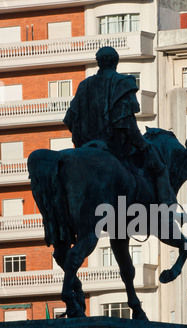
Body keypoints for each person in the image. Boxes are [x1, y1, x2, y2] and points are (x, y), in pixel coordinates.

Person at [63, 46, 177, 208]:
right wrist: (142, 144)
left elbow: (69, 120)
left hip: (86, 147)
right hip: (116, 148)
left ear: (98, 63)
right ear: (116, 63)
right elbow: (127, 124)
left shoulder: (84, 86)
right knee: (159, 168)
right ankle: (166, 209)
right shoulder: (123, 83)